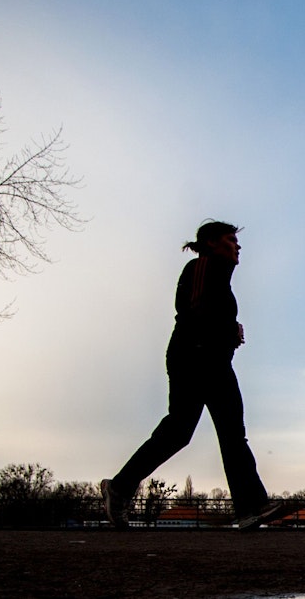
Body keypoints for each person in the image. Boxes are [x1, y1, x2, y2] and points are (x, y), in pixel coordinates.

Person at [101, 221, 283, 529]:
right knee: (183, 431)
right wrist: (228, 330)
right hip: (194, 357)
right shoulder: (201, 266)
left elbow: (208, 315)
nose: (237, 246)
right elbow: (194, 311)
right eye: (230, 240)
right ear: (212, 243)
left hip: (212, 359)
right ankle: (119, 488)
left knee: (218, 433)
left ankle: (250, 507)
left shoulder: (220, 277)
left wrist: (231, 332)